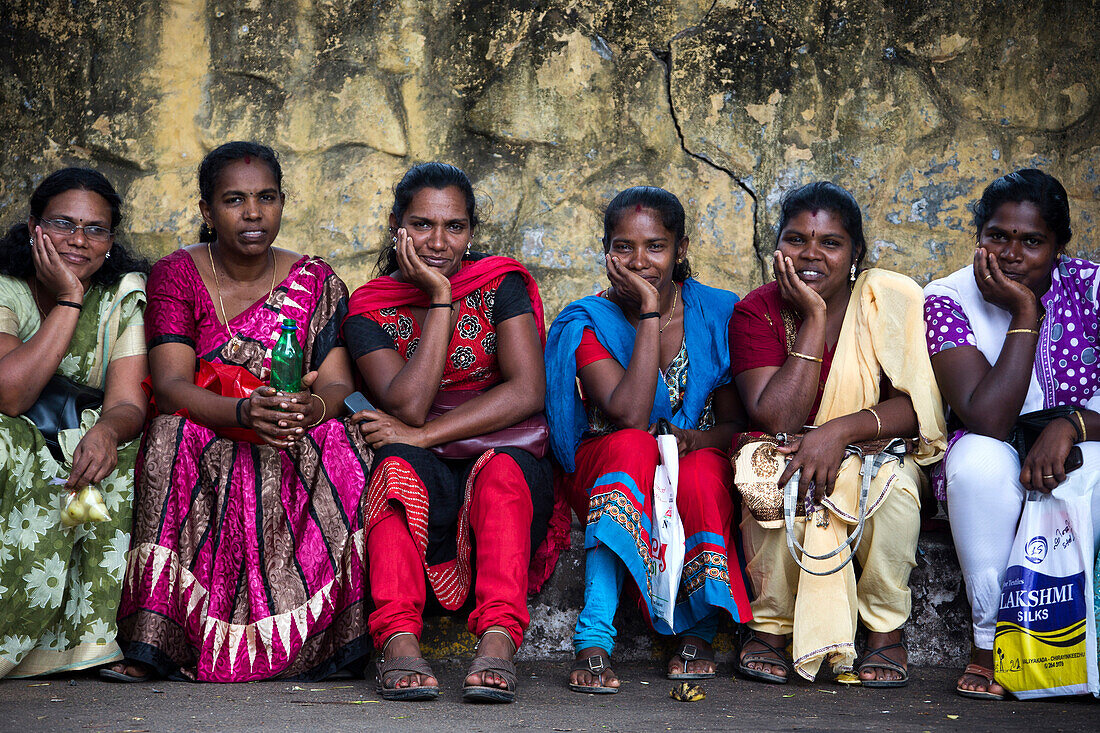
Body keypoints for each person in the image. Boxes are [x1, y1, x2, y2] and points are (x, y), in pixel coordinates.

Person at [112, 141, 371, 682]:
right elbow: (172, 383)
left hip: (288, 433)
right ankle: (155, 641)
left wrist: (310, 407)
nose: (253, 213)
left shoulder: (317, 281)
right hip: (214, 426)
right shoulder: (177, 275)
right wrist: (242, 412)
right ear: (208, 210)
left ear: (281, 202)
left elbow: (340, 382)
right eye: (234, 199)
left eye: (266, 197)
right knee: (168, 434)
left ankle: (328, 643)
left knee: (344, 443)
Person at [342, 162, 566, 703]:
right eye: (422, 225)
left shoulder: (500, 282)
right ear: (396, 225)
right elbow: (409, 405)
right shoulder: (368, 308)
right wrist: (440, 296)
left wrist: (421, 435)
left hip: (503, 450)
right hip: (424, 464)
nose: (439, 242)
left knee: (502, 473)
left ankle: (497, 639)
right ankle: (396, 638)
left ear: (472, 230)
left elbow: (526, 391)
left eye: (455, 227)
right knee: (394, 471)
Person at [729, 181, 945, 687]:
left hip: (873, 446)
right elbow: (777, 420)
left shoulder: (886, 299)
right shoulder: (755, 311)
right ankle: (771, 629)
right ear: (776, 247)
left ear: (855, 254)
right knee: (769, 477)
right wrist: (815, 315)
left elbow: (916, 408)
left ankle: (885, 632)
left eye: (830, 242)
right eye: (796, 239)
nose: (810, 254)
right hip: (786, 444)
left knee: (896, 491)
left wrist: (837, 433)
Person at [545, 186, 753, 694]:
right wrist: (647, 311)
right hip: (609, 460)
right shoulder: (586, 320)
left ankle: (698, 631)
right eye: (623, 247)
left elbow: (733, 424)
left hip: (689, 454)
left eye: (656, 246)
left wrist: (692, 438)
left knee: (706, 469)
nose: (640, 261)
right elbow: (631, 416)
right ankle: (594, 637)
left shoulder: (719, 313)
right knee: (635, 446)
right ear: (606, 249)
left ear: (681, 248)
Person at [924, 169, 1100, 700]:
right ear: (979, 235)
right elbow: (988, 419)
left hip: (1088, 441)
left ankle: (1062, 643)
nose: (1010, 253)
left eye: (1032, 241)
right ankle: (989, 645)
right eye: (997, 236)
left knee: (1087, 473)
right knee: (977, 462)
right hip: (994, 446)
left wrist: (1071, 427)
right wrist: (1026, 310)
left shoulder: (1094, 288)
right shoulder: (947, 297)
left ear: (1060, 246)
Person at [0, 168, 150, 678]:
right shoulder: (7, 287)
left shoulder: (123, 295)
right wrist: (67, 298)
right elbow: (10, 394)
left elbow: (128, 402)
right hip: (16, 428)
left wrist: (107, 431)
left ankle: (82, 644)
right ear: (33, 225)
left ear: (111, 239)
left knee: (126, 453)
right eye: (63, 223)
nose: (79, 241)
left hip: (83, 431)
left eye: (96, 229)